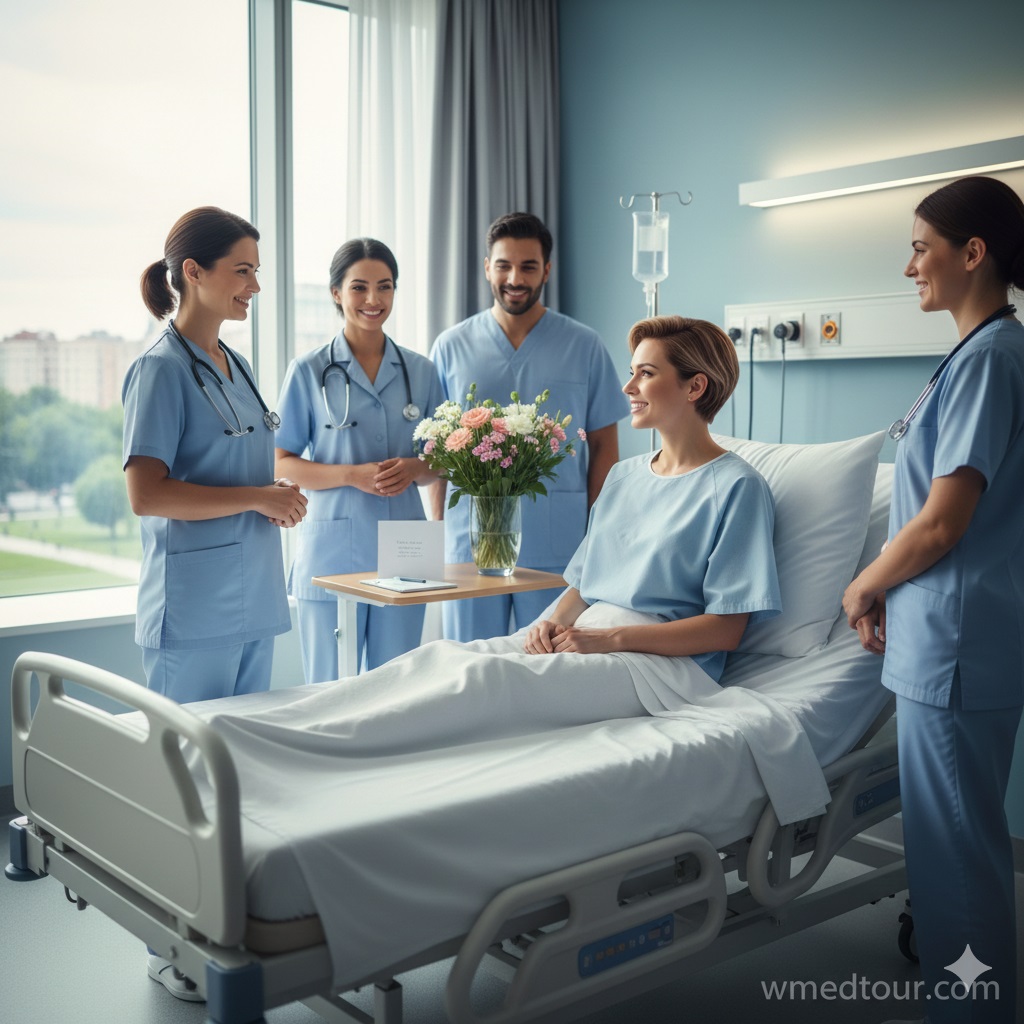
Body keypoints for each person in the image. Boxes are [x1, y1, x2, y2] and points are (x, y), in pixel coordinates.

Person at [225, 316, 781, 755]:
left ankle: (300, 752)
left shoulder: (736, 487)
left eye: (646, 374)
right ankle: (261, 732)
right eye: (632, 371)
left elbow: (727, 629)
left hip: (658, 667)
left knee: (484, 686)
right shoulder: (626, 477)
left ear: (695, 387)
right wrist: (548, 626)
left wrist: (605, 641)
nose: (627, 386)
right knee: (443, 660)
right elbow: (584, 585)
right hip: (585, 639)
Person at [842, 176, 1024, 1024]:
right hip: (950, 636)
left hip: (956, 644)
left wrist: (866, 582)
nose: (910, 263)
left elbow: (943, 523)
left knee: (957, 860)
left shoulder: (990, 359)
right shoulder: (976, 354)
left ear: (972, 253)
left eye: (921, 246)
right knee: (957, 852)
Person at [125, 205, 307, 1001]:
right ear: (191, 273)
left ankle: (227, 928)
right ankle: (175, 939)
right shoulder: (160, 369)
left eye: (257, 271)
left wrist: (270, 497)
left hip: (251, 595)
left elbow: (243, 469)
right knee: (185, 785)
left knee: (239, 776)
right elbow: (147, 493)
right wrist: (254, 498)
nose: (255, 286)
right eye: (242, 270)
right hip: (195, 605)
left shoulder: (231, 362)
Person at [430, 212, 629, 641]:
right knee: (467, 665)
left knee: (545, 667)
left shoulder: (584, 345)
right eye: (503, 265)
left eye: (528, 266)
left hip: (558, 545)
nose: (515, 278)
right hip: (471, 545)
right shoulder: (451, 346)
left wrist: (599, 532)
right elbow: (437, 452)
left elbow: (604, 447)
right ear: (487, 267)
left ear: (547, 271)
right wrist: (436, 536)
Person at [275, 239, 445, 680]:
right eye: (359, 288)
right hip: (333, 548)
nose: (374, 300)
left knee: (399, 686)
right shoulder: (309, 370)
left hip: (407, 550)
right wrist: (351, 474)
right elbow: (280, 462)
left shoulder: (422, 371)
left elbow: (447, 460)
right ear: (336, 293)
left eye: (384, 287)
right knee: (330, 690)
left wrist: (414, 468)